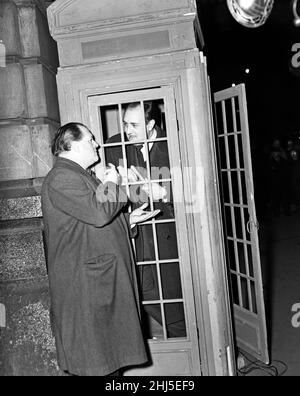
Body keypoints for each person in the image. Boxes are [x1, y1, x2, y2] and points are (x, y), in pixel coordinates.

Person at [41, 122, 157, 376]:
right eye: (90, 140)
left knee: (105, 361)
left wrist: (127, 221)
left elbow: (86, 221)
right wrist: (112, 182)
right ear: (71, 145)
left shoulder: (77, 176)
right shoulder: (62, 177)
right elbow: (98, 213)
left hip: (96, 285)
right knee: (96, 364)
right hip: (87, 288)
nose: (97, 144)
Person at [105, 102, 186, 338]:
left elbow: (196, 196)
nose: (127, 130)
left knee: (176, 298)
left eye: (134, 125)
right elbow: (107, 196)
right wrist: (120, 186)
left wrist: (163, 193)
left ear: (151, 124)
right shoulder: (114, 145)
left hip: (170, 238)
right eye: (125, 124)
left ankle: (187, 341)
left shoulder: (175, 145)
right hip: (135, 237)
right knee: (140, 292)